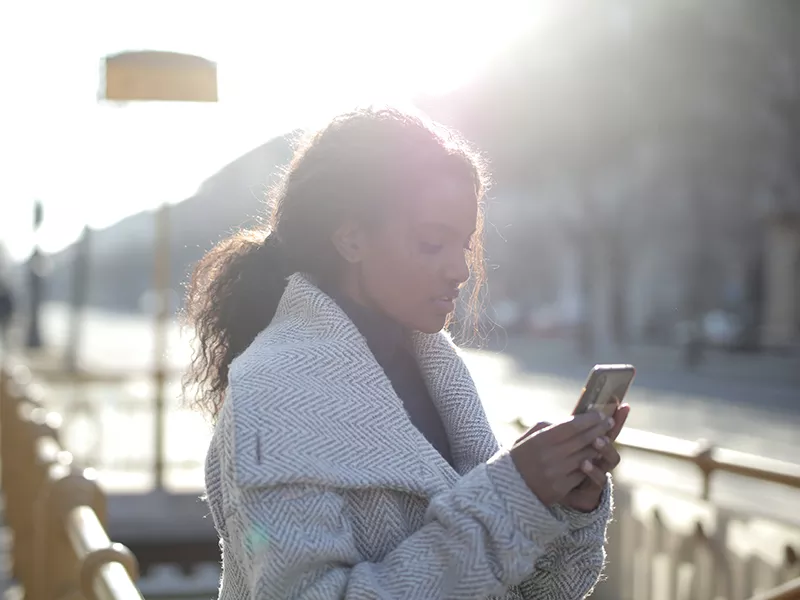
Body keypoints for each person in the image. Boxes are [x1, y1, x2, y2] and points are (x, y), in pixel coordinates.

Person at [183, 107, 630, 599]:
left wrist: (562, 504)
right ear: (351, 237)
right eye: (432, 243)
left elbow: (531, 592)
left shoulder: (434, 367)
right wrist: (513, 497)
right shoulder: (276, 391)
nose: (460, 271)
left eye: (464, 244)